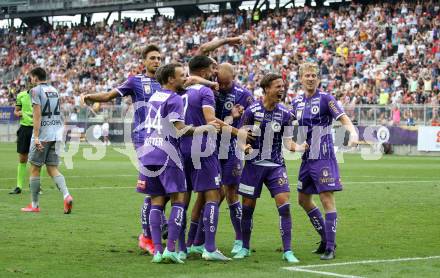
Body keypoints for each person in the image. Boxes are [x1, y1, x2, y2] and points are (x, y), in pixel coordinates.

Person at [81, 44, 163, 255]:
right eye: (152, 58)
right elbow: (110, 95)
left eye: (159, 58)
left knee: (165, 188)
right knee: (152, 187)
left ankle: (158, 226)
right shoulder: (136, 81)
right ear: (144, 61)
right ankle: (147, 236)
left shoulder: (167, 81)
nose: (156, 61)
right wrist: (91, 96)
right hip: (144, 138)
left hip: (166, 140)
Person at [141, 63, 219, 264]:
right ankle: (171, 249)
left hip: (148, 152)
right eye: (181, 76)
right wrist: (205, 128)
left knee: (157, 202)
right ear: (170, 80)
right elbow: (179, 129)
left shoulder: (154, 96)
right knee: (179, 199)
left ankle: (157, 251)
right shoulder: (174, 98)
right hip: (167, 154)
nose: (186, 79)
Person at [291, 62, 358, 260]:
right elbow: (288, 122)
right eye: (307, 75)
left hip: (323, 156)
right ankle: (325, 238)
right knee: (303, 200)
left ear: (318, 78)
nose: (310, 78)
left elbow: (343, 118)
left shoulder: (326, 99)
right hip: (306, 156)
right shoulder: (296, 102)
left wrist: (353, 133)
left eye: (313, 75)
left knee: (326, 199)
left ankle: (330, 247)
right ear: (301, 79)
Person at [233, 73, 302, 263]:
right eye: (277, 86)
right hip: (253, 167)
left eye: (283, 86)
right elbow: (240, 137)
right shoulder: (251, 111)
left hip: (275, 166)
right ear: (267, 89)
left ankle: (288, 251)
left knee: (285, 207)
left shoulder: (286, 114)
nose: (282, 89)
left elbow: (288, 143)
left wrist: (300, 147)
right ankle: (245, 247)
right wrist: (244, 146)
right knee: (247, 208)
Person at [180, 55, 237, 261]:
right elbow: (211, 121)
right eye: (212, 69)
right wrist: (236, 131)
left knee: (182, 199)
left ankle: (183, 247)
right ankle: (210, 248)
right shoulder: (205, 92)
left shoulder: (181, 90)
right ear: (204, 71)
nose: (215, 72)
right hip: (203, 148)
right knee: (215, 195)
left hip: (180, 148)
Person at [21, 67, 73, 214]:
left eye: (31, 78)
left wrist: (36, 136)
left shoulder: (35, 91)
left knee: (35, 168)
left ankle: (35, 205)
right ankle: (66, 195)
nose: (30, 81)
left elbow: (37, 115)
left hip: (43, 135)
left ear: (36, 78)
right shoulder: (54, 90)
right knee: (52, 168)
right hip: (56, 134)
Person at [215, 62, 254, 254]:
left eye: (225, 84)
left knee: (231, 192)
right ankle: (200, 238)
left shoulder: (244, 95)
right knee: (210, 193)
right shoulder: (211, 89)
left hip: (233, 147)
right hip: (210, 148)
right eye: (219, 83)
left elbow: (252, 122)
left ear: (233, 77)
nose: (221, 87)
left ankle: (240, 239)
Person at [9, 85, 33, 194]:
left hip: (38, 129)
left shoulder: (42, 96)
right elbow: (16, 111)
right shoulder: (21, 95)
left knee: (37, 159)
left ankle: (36, 185)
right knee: (23, 158)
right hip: (24, 129)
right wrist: (17, 113)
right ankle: (19, 186)